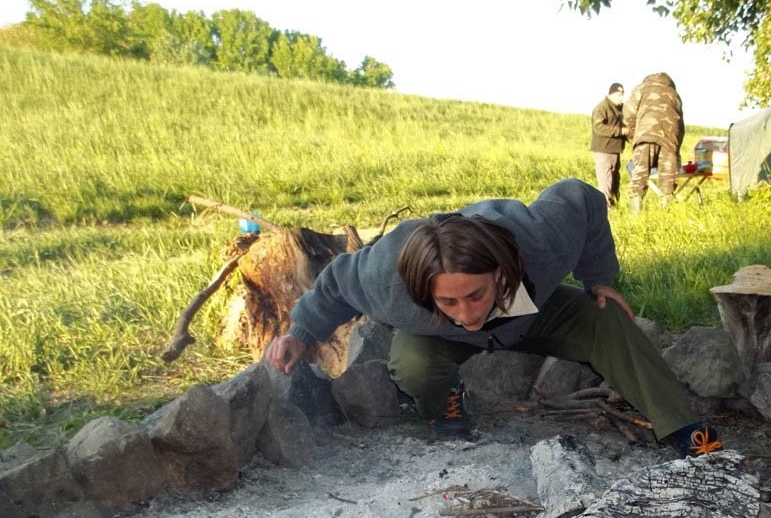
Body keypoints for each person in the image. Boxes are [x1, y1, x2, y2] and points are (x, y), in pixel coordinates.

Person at [264, 179, 721, 458]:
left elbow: (583, 197)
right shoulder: (387, 278)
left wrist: (598, 277)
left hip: (535, 314)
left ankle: (680, 425)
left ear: (501, 271)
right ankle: (447, 395)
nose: (469, 313)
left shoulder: (540, 239)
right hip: (437, 340)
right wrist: (301, 333)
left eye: (477, 294)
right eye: (450, 301)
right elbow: (336, 280)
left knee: (607, 319)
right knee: (413, 365)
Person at [623, 73, 685, 213]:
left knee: (639, 176)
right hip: (670, 138)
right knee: (668, 179)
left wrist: (634, 135)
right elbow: (681, 125)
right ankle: (665, 216)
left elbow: (628, 114)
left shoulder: (642, 88)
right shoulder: (674, 94)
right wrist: (676, 148)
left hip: (645, 136)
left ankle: (635, 218)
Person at [590, 82, 627, 207]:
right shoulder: (602, 108)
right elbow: (598, 127)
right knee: (606, 181)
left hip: (615, 150)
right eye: (619, 95)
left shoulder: (620, 109)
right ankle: (606, 209)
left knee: (615, 180)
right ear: (610, 94)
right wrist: (620, 131)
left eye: (622, 94)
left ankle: (615, 207)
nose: (621, 97)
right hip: (604, 150)